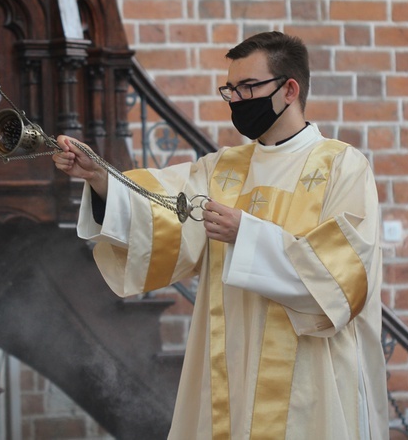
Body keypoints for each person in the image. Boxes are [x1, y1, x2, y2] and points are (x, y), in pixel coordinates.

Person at [53, 31, 389, 439]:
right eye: (231, 89)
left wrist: (245, 235)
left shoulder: (343, 167)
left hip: (311, 382)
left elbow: (344, 280)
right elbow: (158, 211)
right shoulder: (222, 171)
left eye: (249, 87)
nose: (237, 100)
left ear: (289, 89)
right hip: (229, 373)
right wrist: (101, 179)